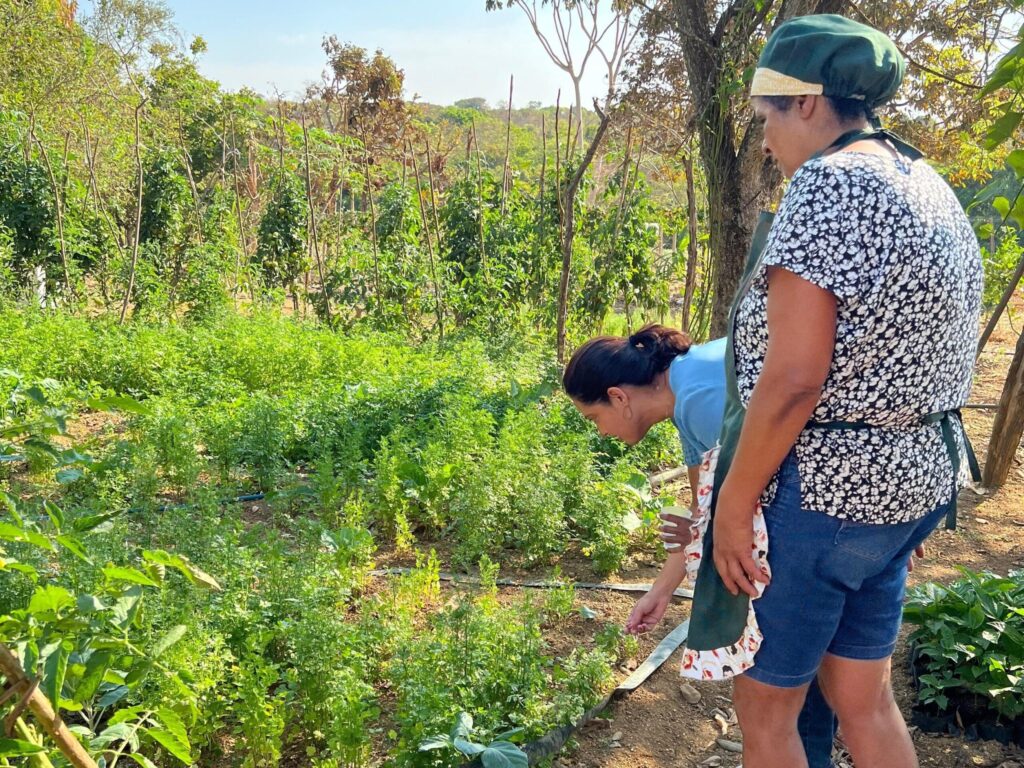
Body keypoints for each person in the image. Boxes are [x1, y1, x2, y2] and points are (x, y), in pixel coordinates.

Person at [683, 14, 982, 768]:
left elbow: (792, 378)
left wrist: (734, 506)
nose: (767, 140)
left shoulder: (830, 183)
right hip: (910, 482)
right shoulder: (925, 180)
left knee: (766, 709)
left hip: (823, 492)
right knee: (863, 697)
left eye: (766, 118)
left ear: (807, 102)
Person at [562, 324, 839, 768]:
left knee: (778, 690)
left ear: (618, 396)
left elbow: (766, 479)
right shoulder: (685, 401)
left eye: (594, 418)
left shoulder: (700, 398)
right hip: (839, 513)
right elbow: (705, 516)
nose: (600, 432)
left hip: (821, 514)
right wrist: (662, 590)